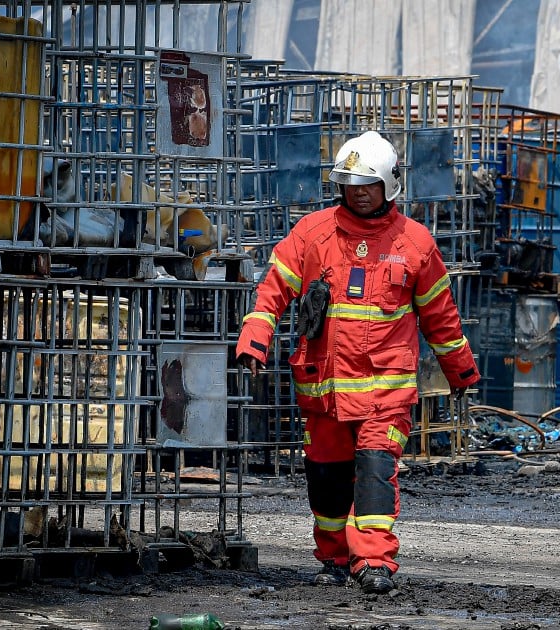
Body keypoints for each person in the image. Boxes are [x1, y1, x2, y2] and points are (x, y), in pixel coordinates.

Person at [235, 130, 480, 594]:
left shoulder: (415, 244)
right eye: (349, 185)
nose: (358, 194)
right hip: (322, 390)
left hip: (383, 393)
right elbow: (272, 291)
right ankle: (334, 558)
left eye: (366, 185)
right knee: (326, 483)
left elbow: (441, 318)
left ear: (389, 185)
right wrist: (254, 340)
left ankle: (373, 563)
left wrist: (460, 371)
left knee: (373, 475)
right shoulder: (313, 234)